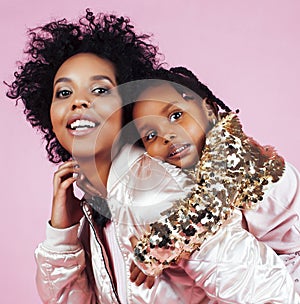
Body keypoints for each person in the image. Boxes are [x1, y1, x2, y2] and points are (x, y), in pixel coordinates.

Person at [6, 10, 299, 303]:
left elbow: (271, 294)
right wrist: (63, 235)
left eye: (99, 89)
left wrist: (159, 247)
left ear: (128, 108)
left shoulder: (153, 188)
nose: (79, 101)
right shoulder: (97, 201)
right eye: (63, 92)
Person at [129, 67, 300, 294]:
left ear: (208, 109)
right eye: (150, 135)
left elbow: (204, 214)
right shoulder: (197, 165)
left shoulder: (231, 150)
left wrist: (150, 254)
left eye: (176, 115)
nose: (166, 135)